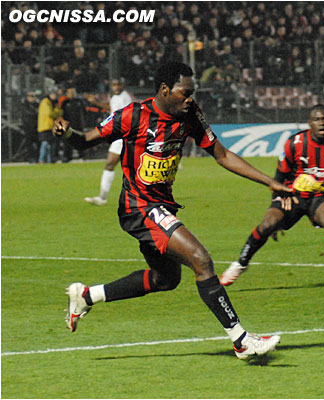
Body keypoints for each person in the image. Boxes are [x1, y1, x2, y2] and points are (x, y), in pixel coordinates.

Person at [52, 62, 294, 359]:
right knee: (201, 260)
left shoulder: (190, 114)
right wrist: (66, 134)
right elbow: (84, 141)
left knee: (165, 279)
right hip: (139, 207)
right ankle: (241, 341)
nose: (190, 98)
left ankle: (87, 296)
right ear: (165, 90)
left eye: (192, 93)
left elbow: (222, 154)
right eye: (185, 92)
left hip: (161, 206)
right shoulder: (133, 115)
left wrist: (269, 181)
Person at [220, 104, 324, 286]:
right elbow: (279, 176)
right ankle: (241, 263)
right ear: (309, 122)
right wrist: (277, 204)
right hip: (292, 195)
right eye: (317, 119)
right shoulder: (295, 143)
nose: (322, 123)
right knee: (267, 225)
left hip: (320, 196)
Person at [84, 78, 133, 206]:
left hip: (125, 136)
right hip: (119, 136)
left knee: (121, 166)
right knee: (111, 164)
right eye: (114, 84)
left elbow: (125, 116)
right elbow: (112, 110)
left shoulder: (125, 98)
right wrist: (96, 103)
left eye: (118, 84)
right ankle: (102, 197)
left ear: (123, 85)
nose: (115, 86)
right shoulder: (115, 97)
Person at [37, 88, 62, 164]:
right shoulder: (45, 102)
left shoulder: (52, 103)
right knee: (45, 143)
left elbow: (60, 112)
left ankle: (50, 160)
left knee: (52, 143)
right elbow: (49, 113)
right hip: (45, 126)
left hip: (51, 126)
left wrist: (56, 112)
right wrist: (56, 112)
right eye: (53, 94)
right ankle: (42, 159)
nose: (55, 96)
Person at [22, 91, 39, 163]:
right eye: (31, 96)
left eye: (33, 96)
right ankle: (31, 157)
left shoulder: (37, 105)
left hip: (37, 127)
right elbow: (30, 114)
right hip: (28, 128)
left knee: (39, 143)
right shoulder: (24, 105)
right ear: (27, 97)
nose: (32, 98)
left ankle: (37, 157)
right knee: (29, 144)